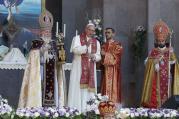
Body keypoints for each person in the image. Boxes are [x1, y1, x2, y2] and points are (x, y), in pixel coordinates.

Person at [141, 20, 179, 108]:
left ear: (165, 40)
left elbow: (174, 64)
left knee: (167, 95)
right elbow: (146, 63)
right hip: (156, 78)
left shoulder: (169, 51)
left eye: (162, 41)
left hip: (167, 78)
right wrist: (154, 62)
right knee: (156, 96)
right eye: (158, 41)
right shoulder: (153, 51)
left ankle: (168, 109)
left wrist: (172, 54)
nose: (160, 43)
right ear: (156, 41)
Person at [68, 23, 101, 112]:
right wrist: (86, 45)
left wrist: (94, 57)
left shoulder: (96, 42)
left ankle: (89, 109)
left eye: (93, 31)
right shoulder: (77, 38)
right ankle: (77, 109)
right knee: (77, 88)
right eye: (90, 30)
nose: (91, 32)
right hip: (78, 68)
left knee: (88, 91)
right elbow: (75, 50)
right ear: (86, 29)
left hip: (90, 69)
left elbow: (99, 56)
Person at [100, 28, 123, 104]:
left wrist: (105, 54)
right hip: (105, 71)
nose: (107, 34)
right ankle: (104, 105)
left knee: (113, 88)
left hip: (114, 71)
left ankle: (113, 105)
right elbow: (100, 60)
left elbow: (117, 58)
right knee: (104, 88)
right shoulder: (103, 45)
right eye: (106, 33)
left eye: (109, 32)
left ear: (113, 34)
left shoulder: (117, 45)